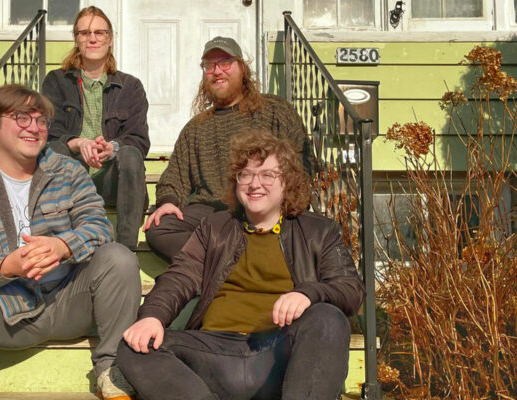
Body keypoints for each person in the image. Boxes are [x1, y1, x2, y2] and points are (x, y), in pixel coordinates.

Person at [0, 84, 140, 400]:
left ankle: (112, 371)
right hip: (6, 309)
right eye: (22, 118)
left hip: (70, 301)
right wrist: (7, 266)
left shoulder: (68, 170)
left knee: (119, 257)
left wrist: (63, 246)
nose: (34, 128)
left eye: (41, 120)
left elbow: (99, 226)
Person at [118, 130, 364, 400]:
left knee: (328, 319)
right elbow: (179, 278)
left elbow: (350, 289)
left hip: (277, 354)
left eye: (267, 175)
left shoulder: (319, 231)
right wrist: (152, 316)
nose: (255, 184)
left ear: (287, 182)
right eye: (246, 175)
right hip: (214, 353)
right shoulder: (215, 227)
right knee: (135, 345)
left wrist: (308, 293)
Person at [144, 36, 315, 263]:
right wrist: (168, 202)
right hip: (213, 212)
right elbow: (174, 177)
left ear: (242, 68)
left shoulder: (275, 110)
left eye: (225, 63)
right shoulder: (196, 128)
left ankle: (223, 264)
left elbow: (303, 161)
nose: (217, 71)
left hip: (265, 203)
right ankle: (236, 264)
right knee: (160, 230)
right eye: (209, 65)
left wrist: (285, 201)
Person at [42, 6, 150, 250]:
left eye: (99, 33)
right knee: (54, 151)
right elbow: (49, 134)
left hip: (112, 179)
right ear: (76, 39)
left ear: (110, 40)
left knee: (130, 154)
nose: (92, 39)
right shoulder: (56, 81)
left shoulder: (130, 86)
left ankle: (126, 250)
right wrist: (79, 143)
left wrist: (111, 148)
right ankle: (58, 247)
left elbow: (139, 138)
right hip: (70, 176)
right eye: (84, 33)